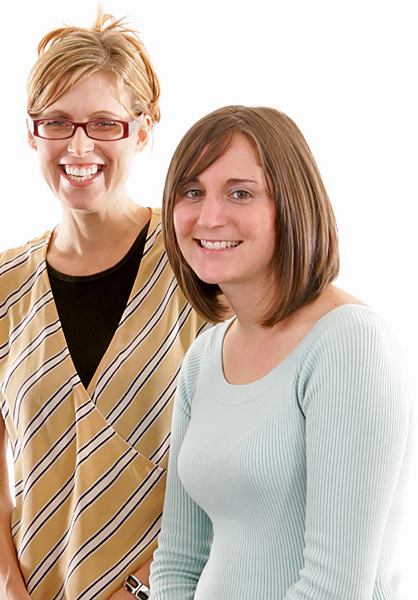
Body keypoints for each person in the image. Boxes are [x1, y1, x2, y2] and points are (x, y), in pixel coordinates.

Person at [0, 12, 205, 600]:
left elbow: (236, 467)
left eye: (104, 123)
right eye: (58, 123)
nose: (79, 145)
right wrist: (11, 594)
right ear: (32, 132)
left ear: (141, 132)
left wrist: (143, 588)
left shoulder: (195, 267)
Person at [148, 105, 411, 599]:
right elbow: (177, 562)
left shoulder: (348, 344)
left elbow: (334, 589)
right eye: (191, 192)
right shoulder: (205, 356)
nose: (209, 216)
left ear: (290, 205)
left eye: (240, 193)